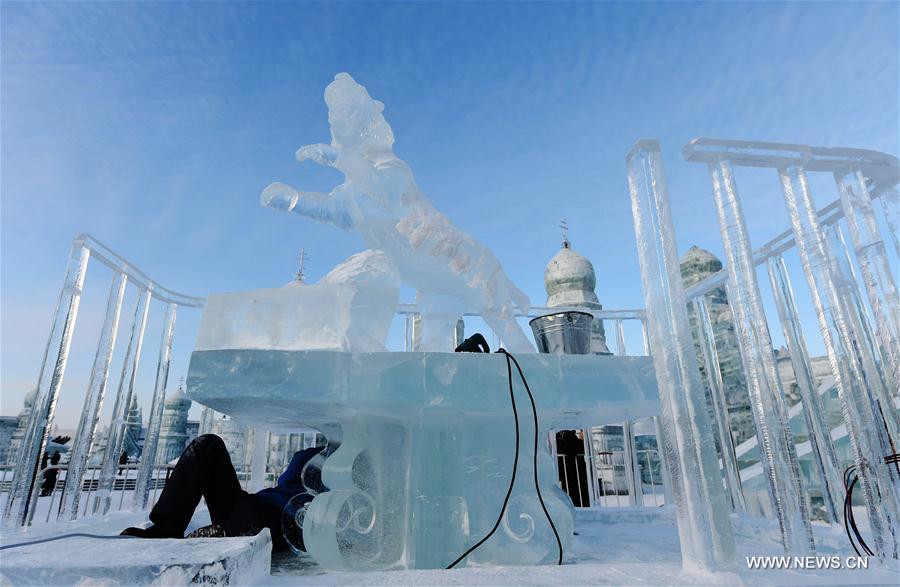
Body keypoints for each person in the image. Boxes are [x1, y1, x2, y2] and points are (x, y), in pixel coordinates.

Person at [121, 434, 325, 552]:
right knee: (207, 444)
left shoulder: (353, 468)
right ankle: (167, 526)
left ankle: (231, 535)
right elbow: (287, 478)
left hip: (291, 520)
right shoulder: (313, 455)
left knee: (268, 524)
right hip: (256, 504)